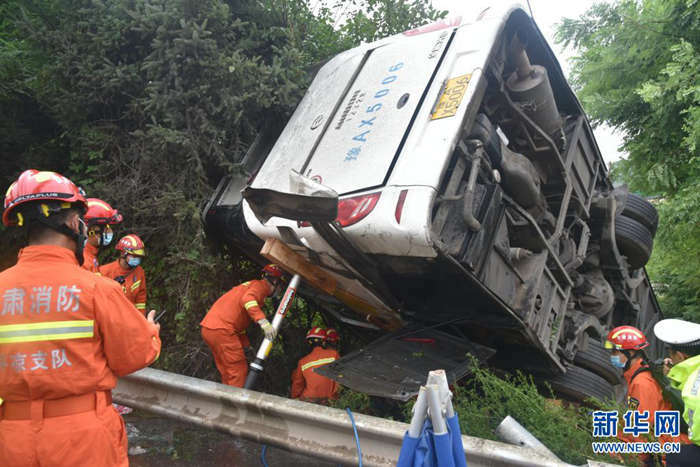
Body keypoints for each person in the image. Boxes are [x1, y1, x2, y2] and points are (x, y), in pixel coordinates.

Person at [0, 169, 161, 466]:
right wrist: (150, 332)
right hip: (82, 438)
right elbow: (135, 355)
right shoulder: (96, 288)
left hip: (11, 439)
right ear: (75, 223)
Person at [605, 325, 689, 465]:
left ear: (630, 353)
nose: (612, 355)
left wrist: (628, 459)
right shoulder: (638, 375)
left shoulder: (642, 383)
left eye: (615, 351)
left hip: (668, 446)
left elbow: (643, 430)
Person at [200, 264, 283, 387]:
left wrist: (246, 346)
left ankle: (225, 399)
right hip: (222, 330)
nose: (280, 289)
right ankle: (234, 404)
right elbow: (247, 300)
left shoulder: (250, 286)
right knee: (238, 370)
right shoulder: (260, 287)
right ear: (275, 281)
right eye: (281, 286)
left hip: (210, 329)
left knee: (227, 371)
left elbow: (239, 323)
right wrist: (263, 322)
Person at [653, 318, 700, 466]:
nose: (669, 359)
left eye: (671, 355)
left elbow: (696, 435)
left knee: (675, 457)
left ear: (680, 356)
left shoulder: (693, 389)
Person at [99, 234, 147, 314]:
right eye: (134, 256)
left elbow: (140, 300)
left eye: (138, 256)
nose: (137, 259)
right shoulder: (104, 271)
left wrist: (141, 321)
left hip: (130, 319)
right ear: (123, 254)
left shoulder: (139, 272)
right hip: (110, 318)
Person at [291, 327, 340, 403]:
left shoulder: (303, 362)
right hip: (329, 399)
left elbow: (297, 384)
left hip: (309, 399)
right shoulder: (334, 355)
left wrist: (294, 398)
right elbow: (340, 378)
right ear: (324, 342)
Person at [82, 198, 123, 273]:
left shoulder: (90, 255)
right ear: (93, 229)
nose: (110, 231)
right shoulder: (84, 261)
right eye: (107, 227)